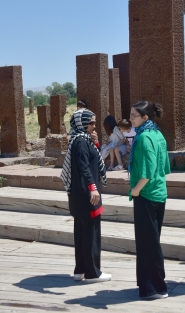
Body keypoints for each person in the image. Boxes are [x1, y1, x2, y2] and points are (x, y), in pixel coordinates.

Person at [60, 109, 111, 284]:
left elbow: (91, 160)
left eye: (95, 123)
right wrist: (93, 188)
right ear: (82, 123)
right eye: (91, 123)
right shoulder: (81, 141)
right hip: (87, 194)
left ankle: (80, 269)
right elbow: (84, 167)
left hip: (79, 194)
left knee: (81, 232)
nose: (94, 126)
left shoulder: (80, 140)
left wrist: (96, 144)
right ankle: (92, 273)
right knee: (91, 233)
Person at [128, 101, 170, 299]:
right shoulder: (157, 134)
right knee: (152, 242)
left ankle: (154, 288)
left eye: (134, 116)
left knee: (147, 244)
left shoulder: (144, 138)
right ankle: (150, 283)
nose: (131, 119)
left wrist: (136, 190)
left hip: (146, 194)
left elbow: (149, 170)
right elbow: (165, 167)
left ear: (145, 117)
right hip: (159, 192)